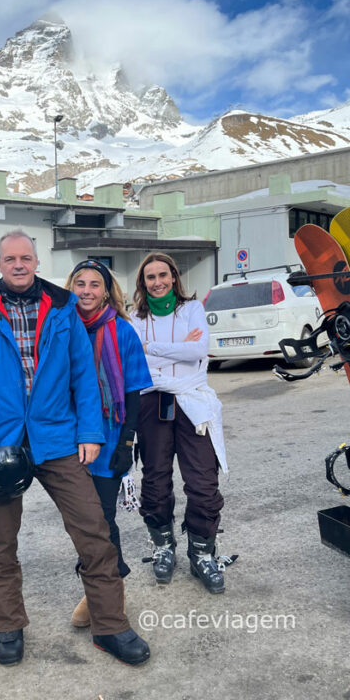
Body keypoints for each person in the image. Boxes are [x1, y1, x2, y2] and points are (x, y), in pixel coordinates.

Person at [0, 230, 150, 667]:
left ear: (36, 262)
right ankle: (7, 626)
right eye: (10, 259)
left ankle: (110, 626)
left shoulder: (62, 308)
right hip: (1, 446)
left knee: (93, 532)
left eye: (26, 257)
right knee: (1, 543)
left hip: (58, 438)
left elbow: (83, 374)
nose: (18, 265)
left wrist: (90, 433)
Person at [129, 252, 228, 594]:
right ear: (142, 283)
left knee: (203, 482)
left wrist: (152, 349)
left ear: (174, 277)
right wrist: (176, 350)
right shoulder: (134, 317)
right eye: (149, 277)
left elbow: (198, 350)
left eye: (162, 275)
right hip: (151, 400)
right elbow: (135, 360)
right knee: (155, 481)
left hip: (192, 401)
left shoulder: (192, 309)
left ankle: (202, 551)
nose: (157, 282)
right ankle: (162, 546)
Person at [64, 259, 151, 627]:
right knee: (80, 522)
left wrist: (126, 443)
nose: (86, 291)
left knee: (101, 518)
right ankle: (101, 584)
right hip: (67, 437)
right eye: (79, 283)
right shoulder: (61, 328)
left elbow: (134, 392)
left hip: (109, 436)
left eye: (94, 284)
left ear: (106, 290)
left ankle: (108, 590)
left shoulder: (123, 331)